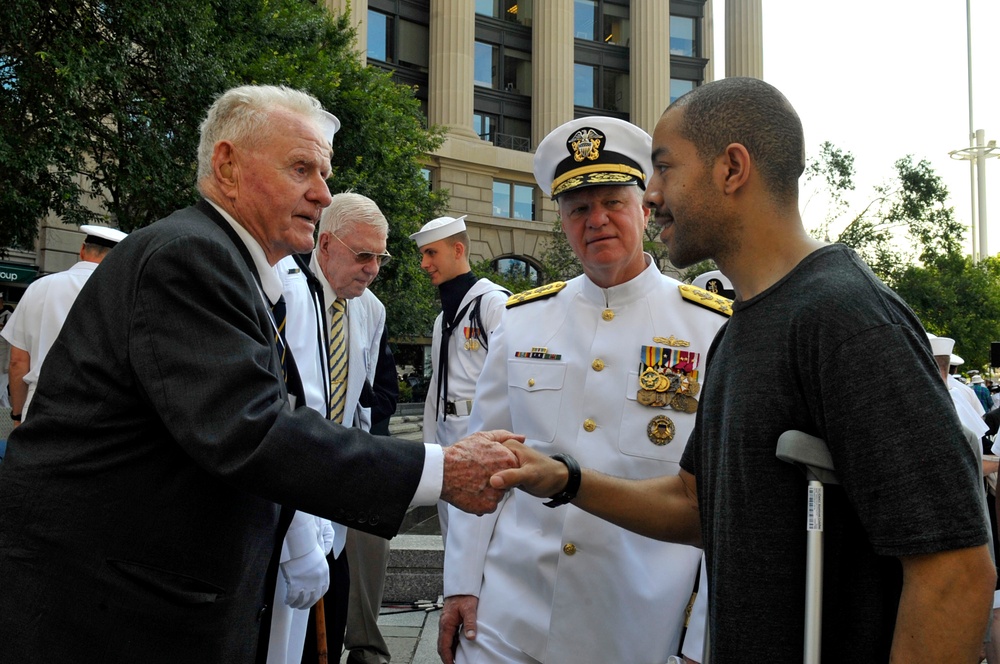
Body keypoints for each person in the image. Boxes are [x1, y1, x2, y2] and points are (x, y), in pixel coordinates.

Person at [0, 84, 519, 664]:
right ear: (227, 166)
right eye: (302, 169)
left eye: (323, 173)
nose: (323, 194)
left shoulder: (233, 265)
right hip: (117, 610)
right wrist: (441, 469)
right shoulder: (188, 258)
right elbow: (252, 429)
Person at [491, 77, 994, 661]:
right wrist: (566, 479)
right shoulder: (742, 326)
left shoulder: (846, 320)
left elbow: (955, 570)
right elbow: (698, 506)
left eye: (664, 168)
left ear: (732, 169)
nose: (649, 194)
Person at [438, 116, 730, 664]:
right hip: (508, 615)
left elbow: (723, 499)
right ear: (564, 223)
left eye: (612, 203)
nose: (596, 220)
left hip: (636, 625)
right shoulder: (523, 321)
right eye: (578, 209)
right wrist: (460, 583)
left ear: (644, 209)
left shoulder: (710, 330)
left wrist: (702, 642)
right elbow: (482, 463)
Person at [309, 192, 396, 664]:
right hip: (290, 472)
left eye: (379, 257)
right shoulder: (289, 291)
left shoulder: (371, 309)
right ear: (325, 246)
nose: (372, 268)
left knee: (335, 590)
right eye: (362, 255)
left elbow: (368, 391)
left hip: (341, 473)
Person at [410, 215, 509, 540]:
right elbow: (436, 387)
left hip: (481, 438)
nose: (424, 263)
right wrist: (430, 446)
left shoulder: (494, 304)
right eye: (422, 254)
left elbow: (513, 381)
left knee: (481, 537)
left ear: (457, 250)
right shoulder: (443, 318)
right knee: (452, 537)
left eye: (431, 253)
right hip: (445, 439)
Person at [1, 225, 126, 424]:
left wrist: (17, 414)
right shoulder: (124, 296)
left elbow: (17, 362)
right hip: (101, 410)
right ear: (120, 258)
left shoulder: (39, 287)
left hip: (40, 404)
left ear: (82, 250)